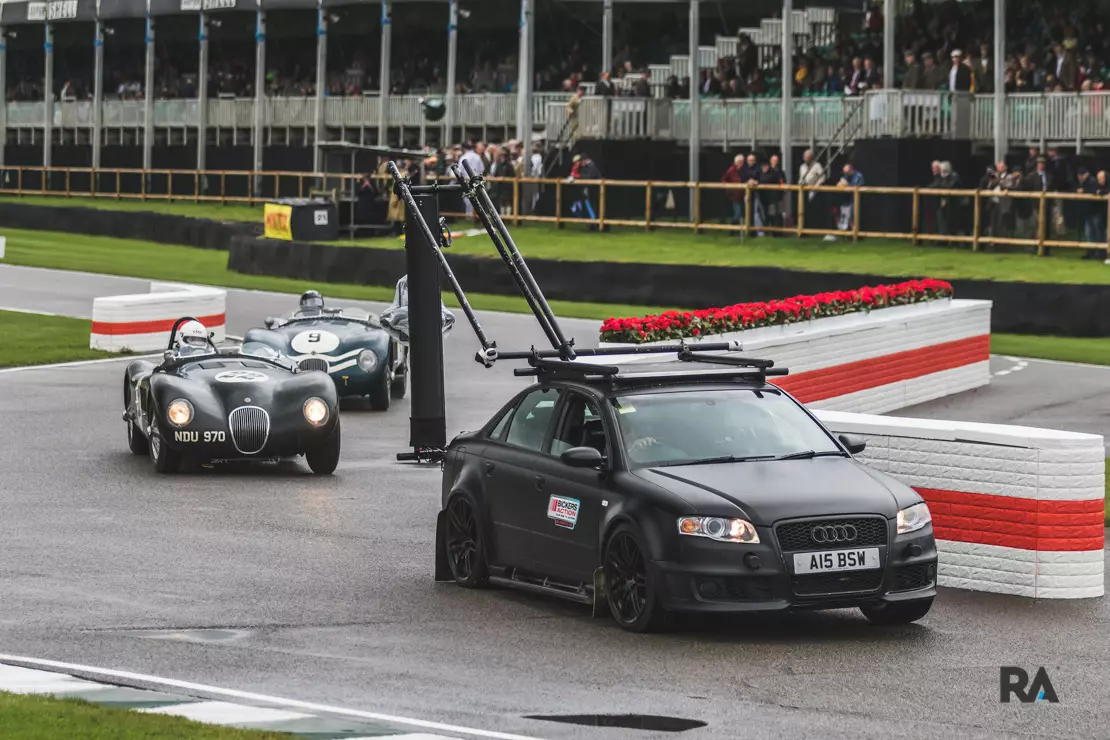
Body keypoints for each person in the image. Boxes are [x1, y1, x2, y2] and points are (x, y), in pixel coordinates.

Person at [568, 153, 602, 228]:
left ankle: (595, 224)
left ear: (585, 160)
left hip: (595, 190)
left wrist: (578, 176)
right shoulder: (585, 166)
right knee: (589, 206)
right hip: (589, 189)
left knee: (594, 207)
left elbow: (589, 177)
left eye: (581, 161)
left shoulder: (591, 166)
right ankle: (592, 224)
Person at [798, 148, 826, 233]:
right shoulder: (802, 167)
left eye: (807, 157)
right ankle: (803, 229)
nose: (806, 158)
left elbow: (822, 177)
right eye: (805, 157)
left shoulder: (817, 165)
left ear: (811, 157)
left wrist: (816, 186)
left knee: (813, 209)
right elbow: (801, 178)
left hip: (814, 190)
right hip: (804, 190)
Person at [721, 154, 748, 231]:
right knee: (738, 213)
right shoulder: (731, 170)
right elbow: (724, 179)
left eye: (742, 162)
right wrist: (729, 187)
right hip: (735, 195)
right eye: (739, 162)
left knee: (743, 213)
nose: (741, 164)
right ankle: (733, 230)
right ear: (735, 162)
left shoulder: (745, 170)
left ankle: (740, 230)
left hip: (744, 194)